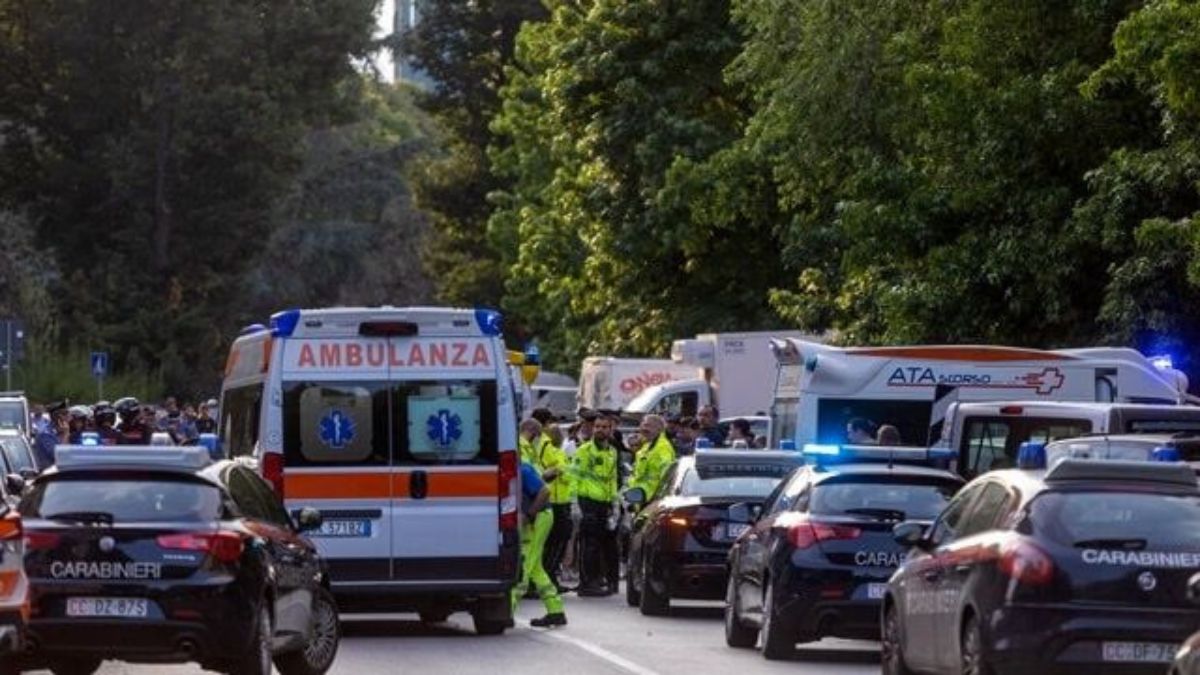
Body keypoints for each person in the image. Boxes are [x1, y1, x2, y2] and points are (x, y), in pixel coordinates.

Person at [511, 460, 567, 628]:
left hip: (539, 518)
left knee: (524, 564)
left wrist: (529, 515)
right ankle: (555, 611)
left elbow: (544, 491)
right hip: (537, 517)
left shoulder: (522, 468)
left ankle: (507, 611)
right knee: (535, 567)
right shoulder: (519, 466)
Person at [571, 415, 620, 597]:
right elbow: (574, 477)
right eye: (597, 426)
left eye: (604, 427)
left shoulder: (612, 452)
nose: (600, 430)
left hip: (605, 503)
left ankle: (600, 580)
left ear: (610, 430)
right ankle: (587, 583)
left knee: (604, 544)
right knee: (589, 545)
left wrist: (615, 504)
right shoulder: (584, 450)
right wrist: (574, 503)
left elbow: (612, 479)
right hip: (587, 502)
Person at [532, 416, 574, 593]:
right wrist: (563, 471)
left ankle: (550, 578)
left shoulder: (547, 448)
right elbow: (559, 472)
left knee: (554, 542)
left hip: (559, 500)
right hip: (554, 501)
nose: (561, 436)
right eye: (558, 433)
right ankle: (547, 578)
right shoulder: (549, 449)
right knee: (554, 542)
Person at [629, 414, 676, 507]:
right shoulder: (647, 446)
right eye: (643, 425)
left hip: (653, 499)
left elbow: (666, 475)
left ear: (659, 429)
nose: (643, 428)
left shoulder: (663, 448)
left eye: (648, 426)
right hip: (641, 497)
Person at [33, 401, 68, 469]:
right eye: (64, 414)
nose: (68, 417)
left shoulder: (61, 431)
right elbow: (60, 456)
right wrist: (66, 434)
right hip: (49, 475)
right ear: (57, 417)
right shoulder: (45, 434)